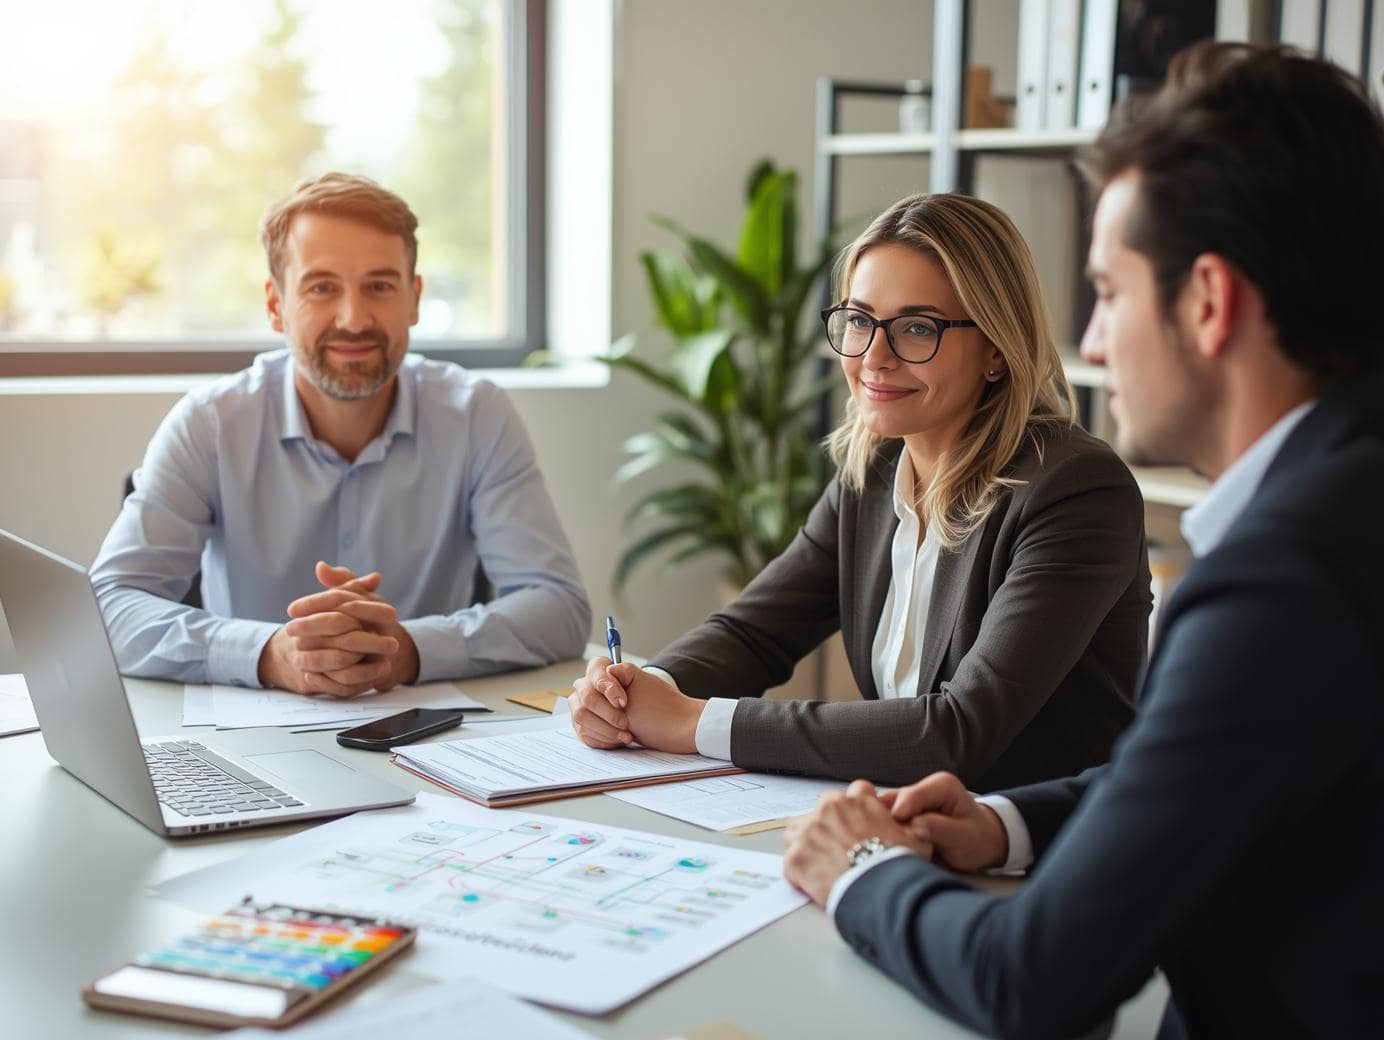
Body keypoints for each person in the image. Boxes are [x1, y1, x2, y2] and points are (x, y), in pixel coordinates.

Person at [782, 42, 1384, 1039]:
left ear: (1206, 301)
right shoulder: (1346, 503)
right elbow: (1214, 765)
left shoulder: (1286, 577)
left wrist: (857, 869)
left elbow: (1032, 981)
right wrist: (1004, 822)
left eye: (1106, 291)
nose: (1091, 343)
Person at [571, 192, 1151, 790]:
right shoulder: (875, 469)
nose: (874, 356)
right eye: (859, 319)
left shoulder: (1076, 491)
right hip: (902, 827)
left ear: (997, 350)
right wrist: (643, 690)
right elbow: (756, 631)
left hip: (1034, 850)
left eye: (917, 328)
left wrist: (696, 722)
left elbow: (957, 732)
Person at [90, 173, 591, 694]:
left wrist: (408, 650)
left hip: (432, 739)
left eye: (379, 286)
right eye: (322, 287)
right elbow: (109, 607)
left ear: (413, 298)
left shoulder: (475, 415)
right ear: (275, 304)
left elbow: (559, 606)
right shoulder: (211, 423)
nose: (353, 320)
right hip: (247, 739)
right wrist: (267, 655)